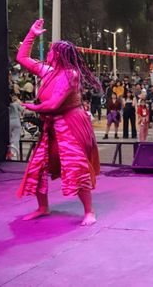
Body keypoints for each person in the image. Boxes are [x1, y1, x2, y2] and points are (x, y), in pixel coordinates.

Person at [16, 19, 101, 226]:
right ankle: (43, 207)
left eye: (52, 50)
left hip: (70, 125)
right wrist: (31, 34)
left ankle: (89, 211)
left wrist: (32, 107)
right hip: (52, 126)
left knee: (75, 165)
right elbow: (22, 57)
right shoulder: (48, 71)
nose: (49, 53)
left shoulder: (70, 74)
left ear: (60, 55)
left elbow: (54, 104)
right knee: (37, 166)